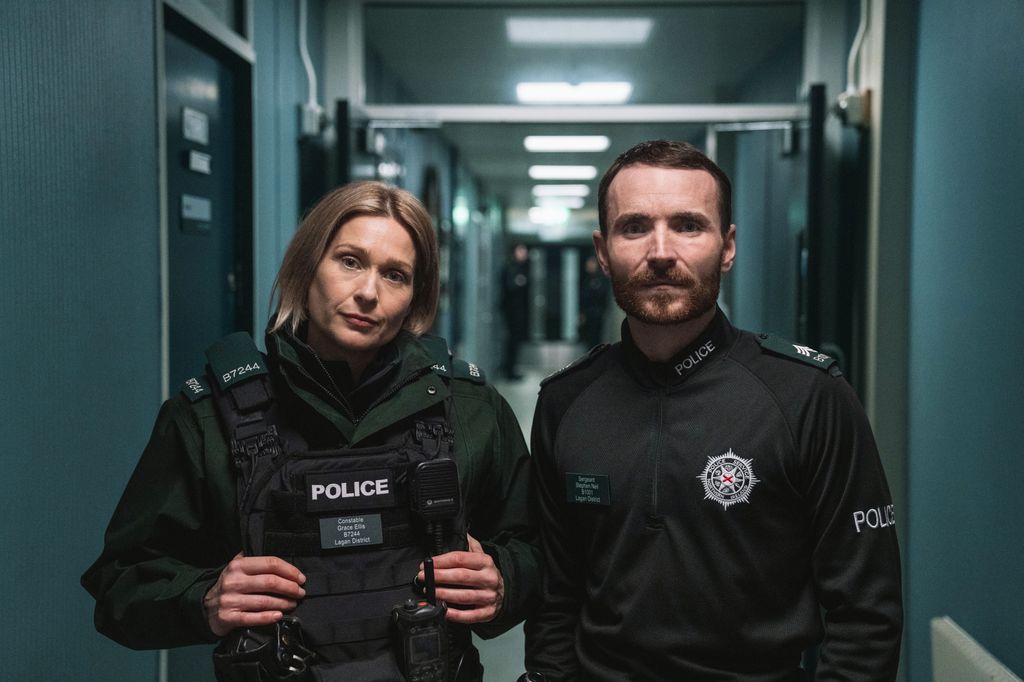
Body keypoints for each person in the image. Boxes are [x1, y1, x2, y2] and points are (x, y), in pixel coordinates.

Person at [83, 181, 540, 681]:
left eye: (395, 275)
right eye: (349, 261)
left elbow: (539, 551)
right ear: (307, 267)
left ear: (415, 298)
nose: (368, 292)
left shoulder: (470, 410)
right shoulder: (209, 418)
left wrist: (501, 580)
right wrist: (206, 598)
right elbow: (120, 586)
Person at [524, 140, 903, 680]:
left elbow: (867, 611)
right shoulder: (565, 400)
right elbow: (555, 596)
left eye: (687, 225)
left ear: (726, 246)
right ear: (602, 250)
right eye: (634, 227)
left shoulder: (807, 394)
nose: (660, 251)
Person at [499, 242, 531, 380]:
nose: (524, 254)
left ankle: (511, 368)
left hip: (516, 311)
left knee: (515, 341)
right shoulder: (511, 268)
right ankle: (509, 371)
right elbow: (511, 286)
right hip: (512, 311)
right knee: (512, 341)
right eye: (521, 251)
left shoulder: (521, 268)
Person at [577, 255, 609, 349]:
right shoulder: (587, 280)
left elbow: (602, 295)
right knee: (588, 337)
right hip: (588, 314)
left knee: (595, 336)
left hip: (597, 313)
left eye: (591, 263)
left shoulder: (601, 279)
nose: (589, 266)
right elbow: (584, 298)